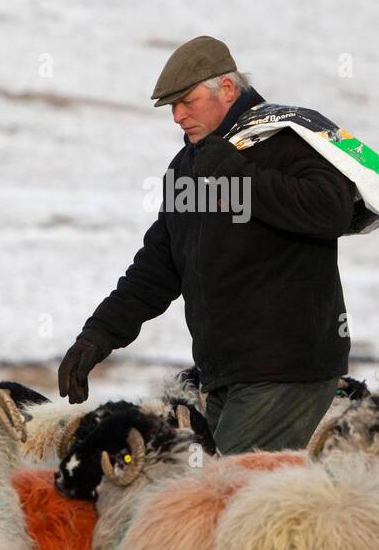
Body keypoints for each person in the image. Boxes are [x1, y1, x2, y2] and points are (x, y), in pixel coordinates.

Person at [57, 35, 356, 455]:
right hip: (226, 374)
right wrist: (100, 333)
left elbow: (331, 211)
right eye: (171, 107)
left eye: (187, 101)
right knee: (225, 503)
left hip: (287, 368)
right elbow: (160, 264)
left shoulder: (284, 140)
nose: (178, 116)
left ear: (228, 89)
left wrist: (235, 173)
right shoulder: (189, 166)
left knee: (225, 500)